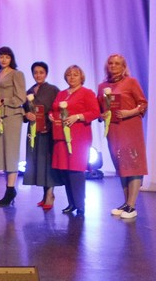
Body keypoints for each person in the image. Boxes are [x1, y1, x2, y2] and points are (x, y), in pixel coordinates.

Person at [98, 54, 148, 219]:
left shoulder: (131, 82)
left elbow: (143, 103)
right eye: (111, 63)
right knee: (121, 165)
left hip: (130, 127)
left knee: (133, 164)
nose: (113, 66)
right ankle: (126, 203)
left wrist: (129, 112)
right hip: (113, 130)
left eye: (117, 63)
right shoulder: (102, 86)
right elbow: (99, 109)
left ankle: (132, 206)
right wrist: (102, 115)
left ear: (123, 66)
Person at [51, 65, 99, 216]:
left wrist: (77, 116)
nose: (72, 77)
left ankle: (80, 204)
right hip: (61, 136)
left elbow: (95, 112)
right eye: (69, 74)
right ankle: (71, 203)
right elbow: (54, 110)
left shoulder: (87, 93)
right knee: (65, 170)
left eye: (75, 74)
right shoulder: (61, 94)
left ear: (81, 77)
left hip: (79, 136)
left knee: (76, 170)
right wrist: (51, 116)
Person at [22, 61, 61, 210]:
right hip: (33, 131)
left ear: (46, 74)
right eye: (35, 73)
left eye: (41, 72)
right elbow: (24, 110)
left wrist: (50, 121)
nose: (38, 75)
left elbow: (58, 109)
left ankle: (50, 194)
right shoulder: (29, 91)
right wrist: (27, 115)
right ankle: (45, 195)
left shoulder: (53, 90)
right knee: (38, 162)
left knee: (47, 161)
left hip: (47, 130)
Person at [0, 46, 27, 207]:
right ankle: (9, 189)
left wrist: (3, 101)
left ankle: (11, 189)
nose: (4, 59)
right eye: (1, 56)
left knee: (11, 153)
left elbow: (21, 97)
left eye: (7, 56)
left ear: (11, 58)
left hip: (12, 115)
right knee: (3, 154)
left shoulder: (16, 74)